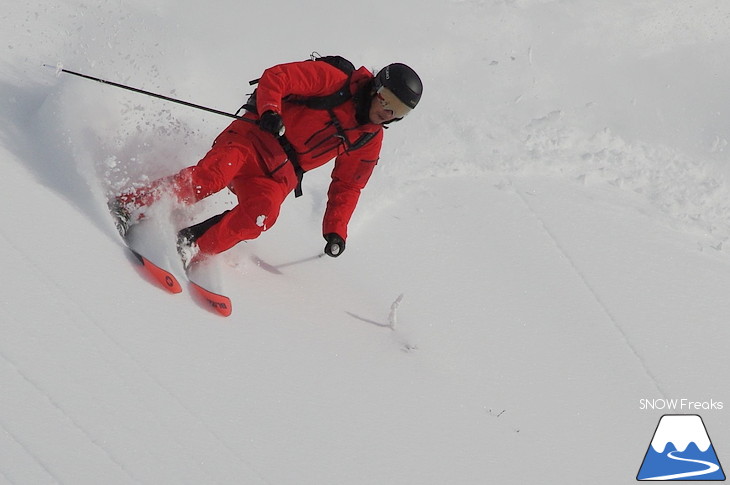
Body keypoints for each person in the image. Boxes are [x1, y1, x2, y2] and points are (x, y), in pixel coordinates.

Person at [110, 56, 423, 265]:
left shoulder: (369, 138)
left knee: (263, 214)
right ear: (376, 88)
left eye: (399, 111)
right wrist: (271, 111)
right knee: (213, 176)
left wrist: (335, 230)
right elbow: (279, 76)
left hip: (278, 175)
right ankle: (132, 205)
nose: (388, 112)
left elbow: (348, 185)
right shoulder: (335, 81)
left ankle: (190, 245)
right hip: (252, 139)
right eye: (387, 100)